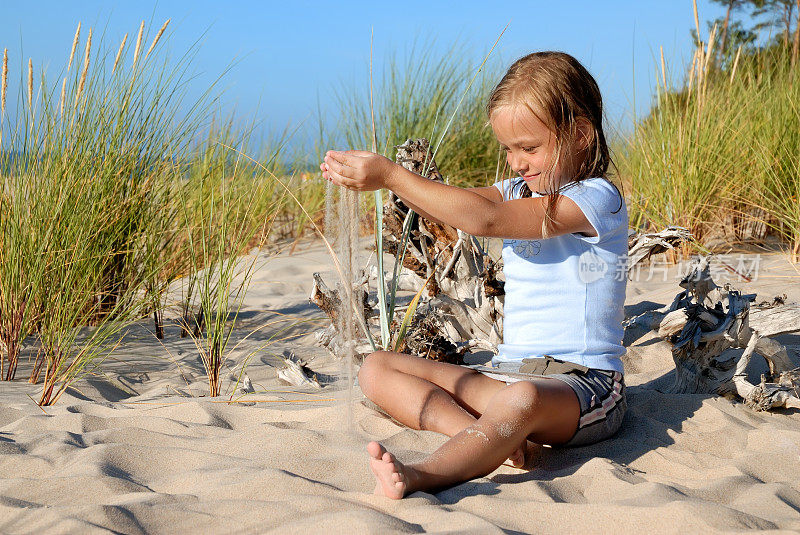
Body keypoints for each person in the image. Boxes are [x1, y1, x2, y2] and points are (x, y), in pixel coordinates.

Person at [320, 51, 628, 500]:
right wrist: (376, 179)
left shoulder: (595, 199)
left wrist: (391, 174)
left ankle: (427, 474)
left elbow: (484, 219)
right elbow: (457, 206)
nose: (516, 162)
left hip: (583, 388)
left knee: (521, 399)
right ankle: (492, 440)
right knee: (375, 368)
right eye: (508, 149)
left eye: (529, 147)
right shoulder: (515, 191)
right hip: (507, 378)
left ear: (580, 134)